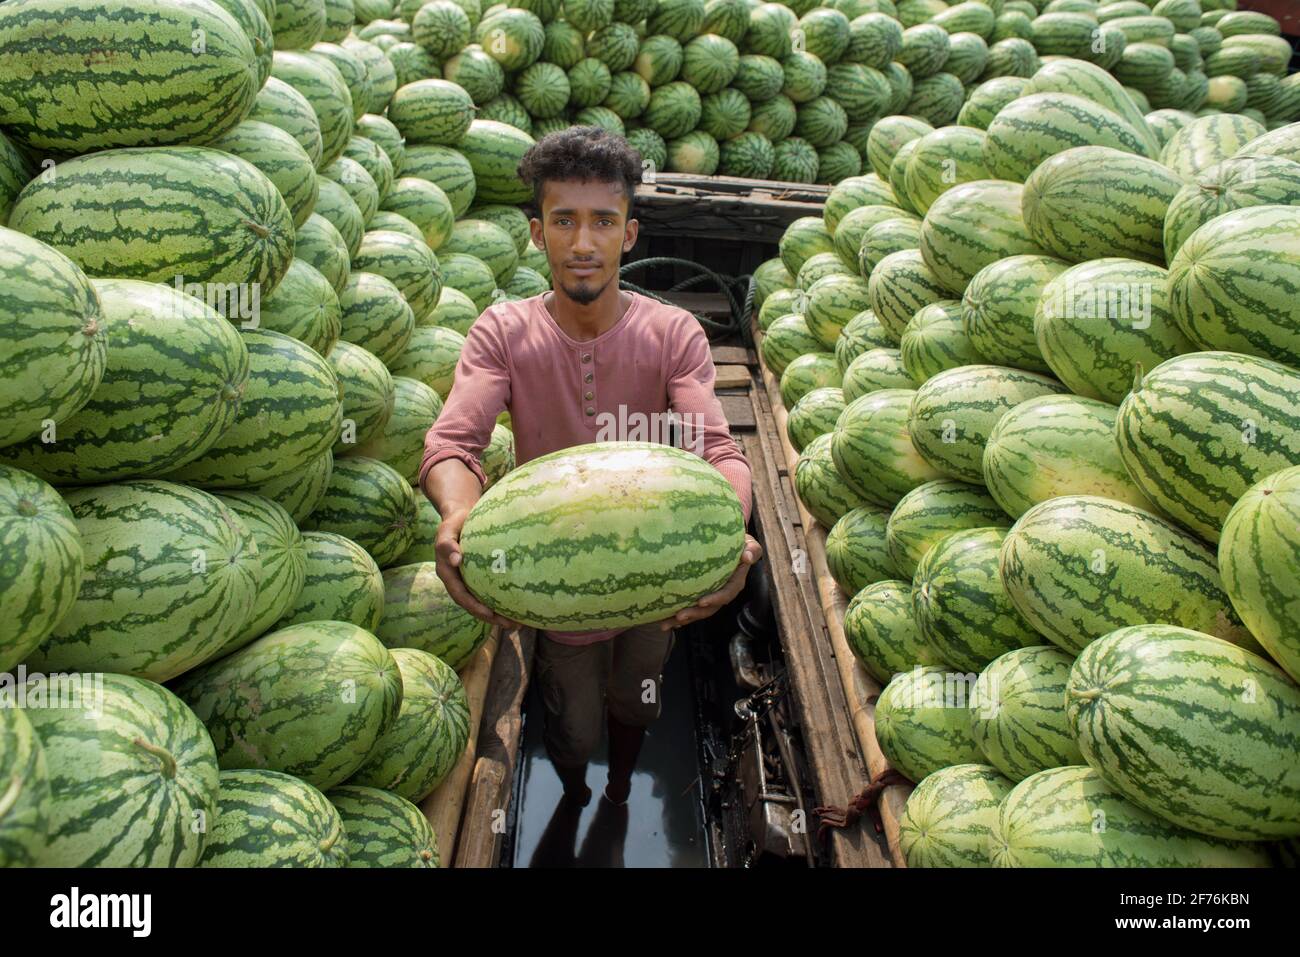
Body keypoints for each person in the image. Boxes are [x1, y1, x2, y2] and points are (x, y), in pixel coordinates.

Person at [419, 126, 761, 811]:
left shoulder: (674, 334)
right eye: (564, 221)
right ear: (536, 232)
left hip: (657, 587)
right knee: (570, 722)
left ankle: (620, 789)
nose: (582, 243)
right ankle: (576, 787)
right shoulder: (501, 331)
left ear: (629, 234)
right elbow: (453, 443)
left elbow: (718, 453)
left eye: (602, 221)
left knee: (637, 700)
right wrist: (458, 512)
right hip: (555, 595)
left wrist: (735, 532)